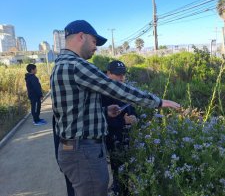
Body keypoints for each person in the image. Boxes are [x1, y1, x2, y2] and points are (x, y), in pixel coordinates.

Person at [50, 20, 180, 196]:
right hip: (84, 151)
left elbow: (70, 112)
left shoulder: (60, 64)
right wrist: (157, 102)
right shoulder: (77, 66)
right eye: (94, 42)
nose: (96, 48)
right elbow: (116, 88)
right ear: (81, 36)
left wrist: (104, 111)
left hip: (72, 148)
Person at [103, 60, 137, 195]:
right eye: (118, 75)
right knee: (118, 166)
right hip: (112, 137)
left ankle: (122, 188)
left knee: (126, 166)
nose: (122, 78)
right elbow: (101, 117)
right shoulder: (102, 92)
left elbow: (132, 107)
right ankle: (119, 190)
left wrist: (134, 117)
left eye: (123, 74)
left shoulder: (123, 88)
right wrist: (123, 121)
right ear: (108, 73)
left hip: (126, 135)